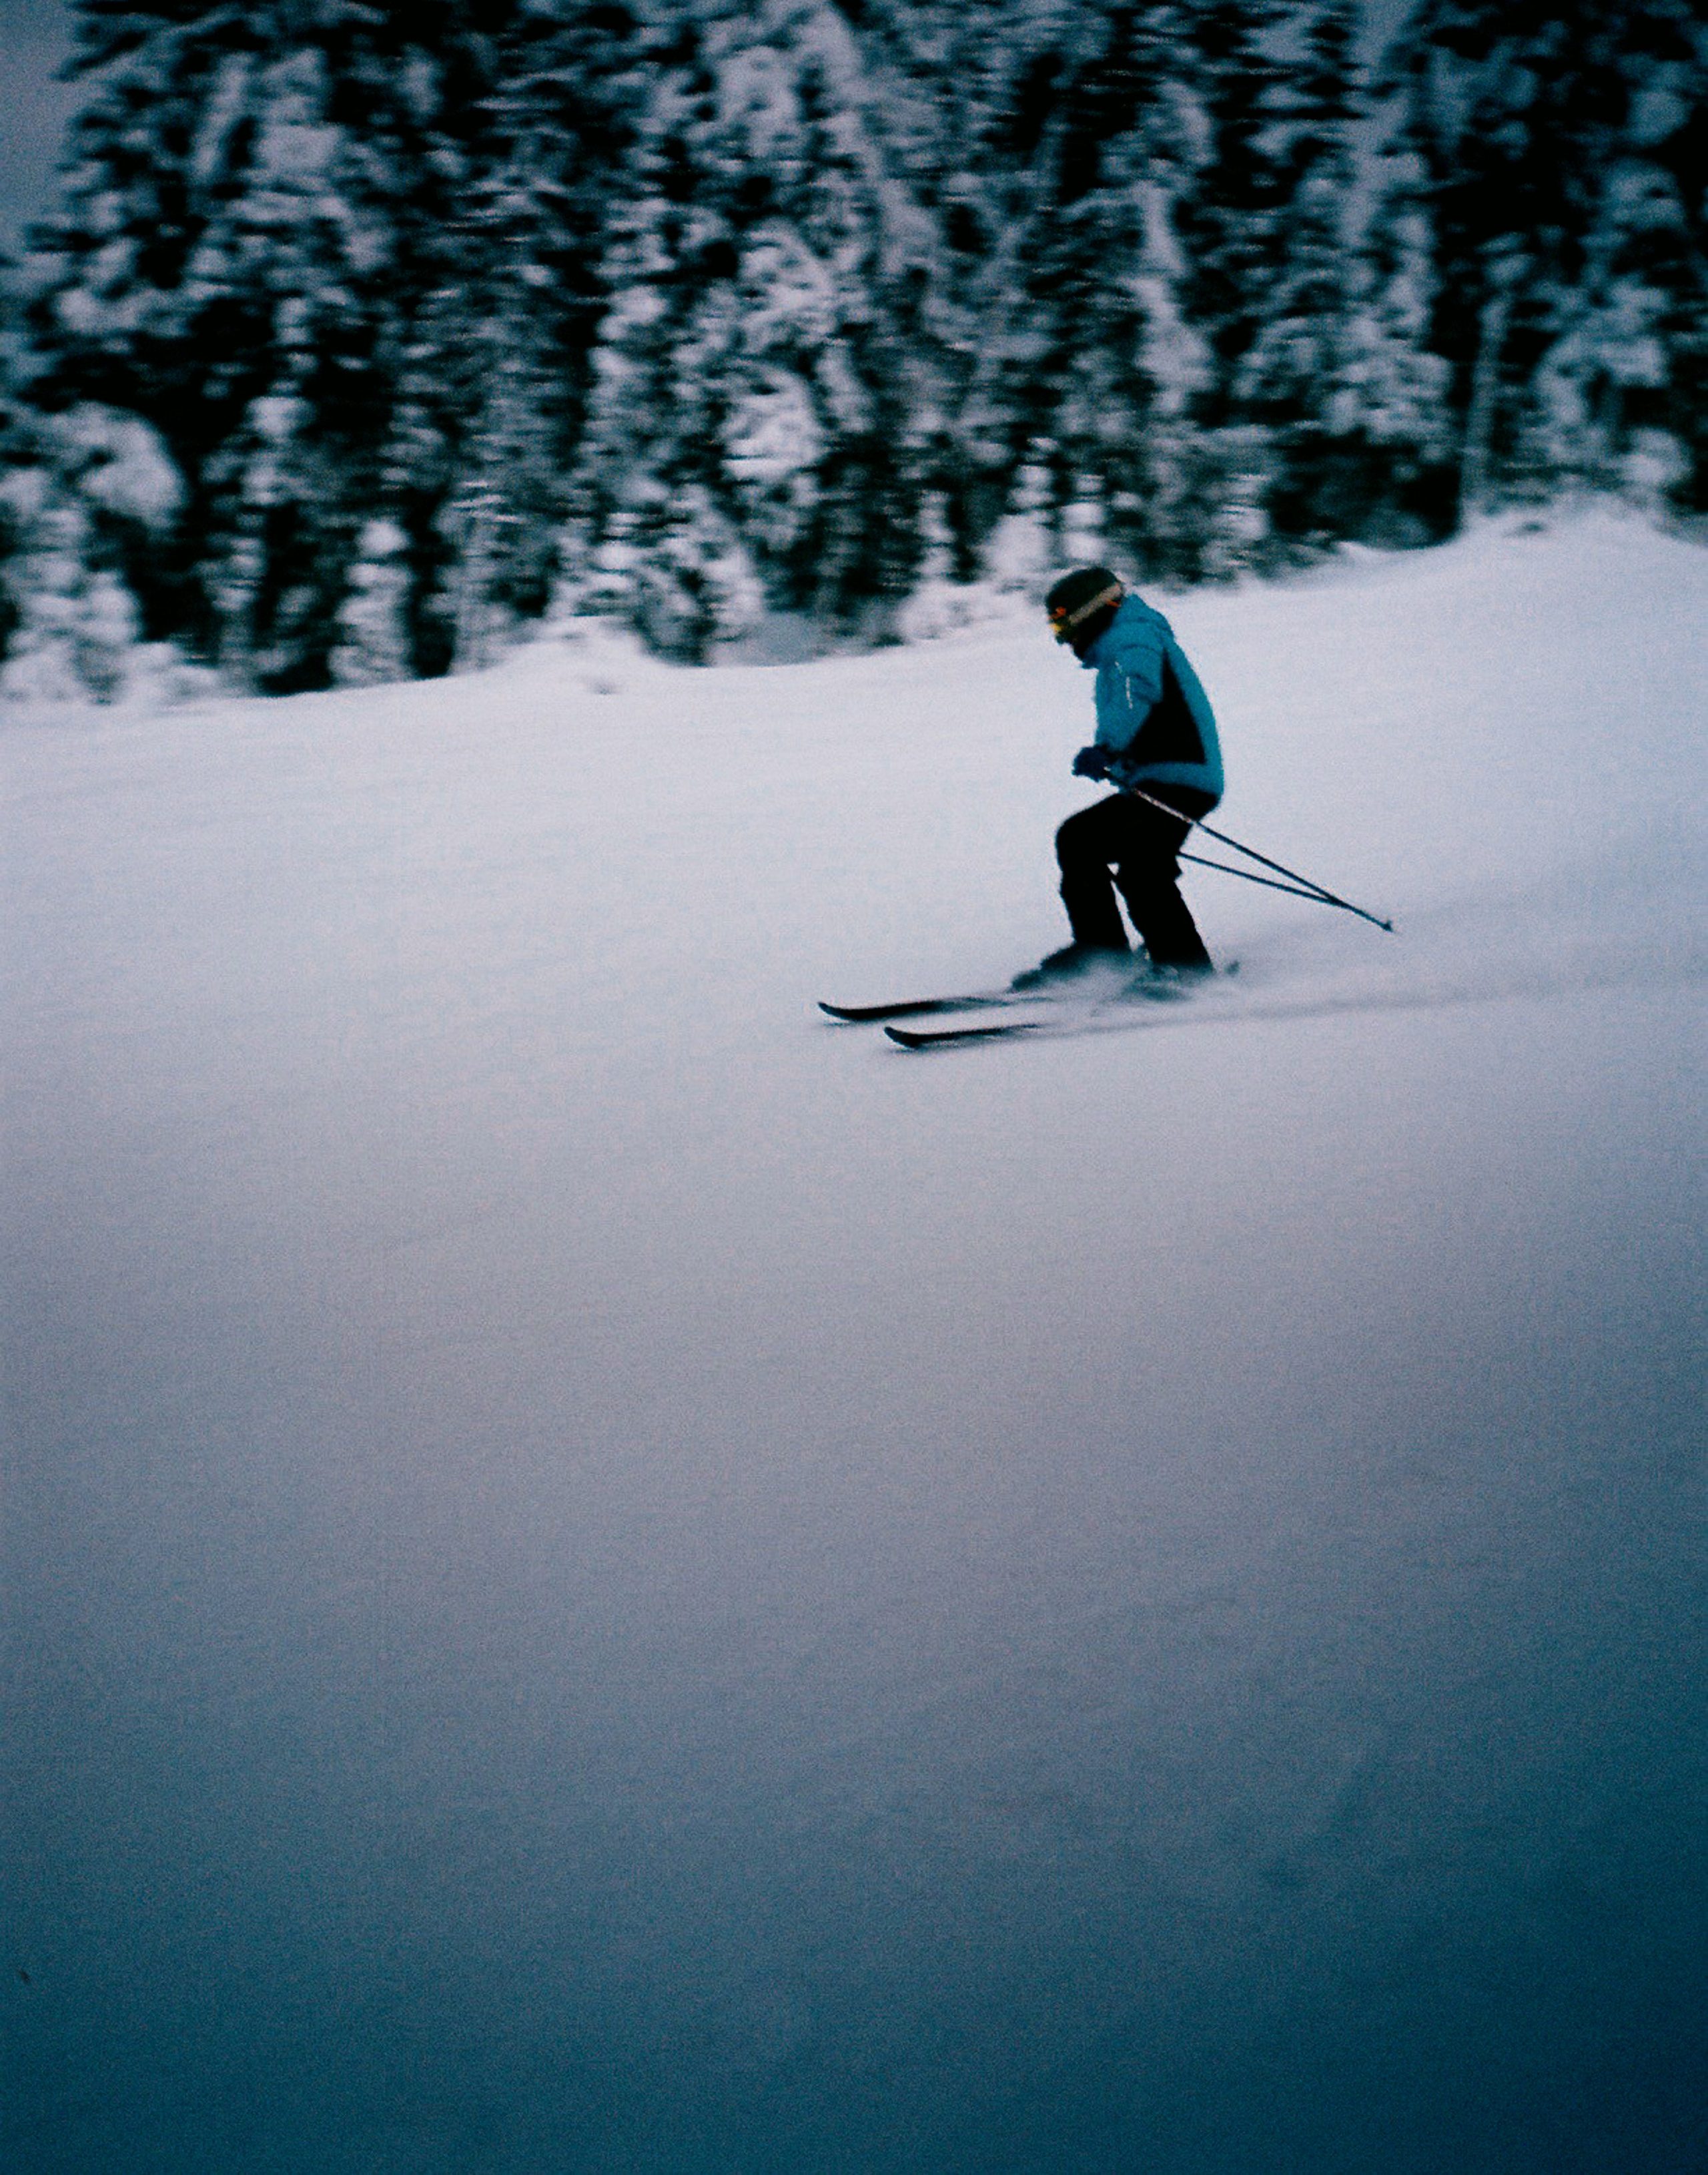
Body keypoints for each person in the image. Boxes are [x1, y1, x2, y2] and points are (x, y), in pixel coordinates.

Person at [1015, 564, 1224, 988]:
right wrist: (1116, 760)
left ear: (1090, 614)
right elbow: (1134, 709)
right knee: (1078, 838)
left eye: (1064, 626)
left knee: (1142, 866)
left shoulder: (1133, 637)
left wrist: (1106, 748)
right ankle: (1101, 951)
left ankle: (1187, 970)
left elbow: (1138, 693)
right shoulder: (1122, 644)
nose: (1064, 640)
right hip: (1155, 781)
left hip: (1182, 780)